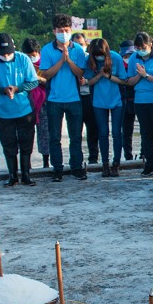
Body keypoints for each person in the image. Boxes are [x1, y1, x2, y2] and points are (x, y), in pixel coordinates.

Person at [0, 33, 40, 187]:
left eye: (9, 52)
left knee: (26, 143)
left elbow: (33, 82)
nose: (6, 55)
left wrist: (18, 88)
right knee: (8, 144)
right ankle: (12, 175)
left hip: (25, 108)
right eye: (3, 53)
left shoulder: (23, 59)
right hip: (3, 111)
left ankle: (26, 175)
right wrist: (3, 90)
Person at [39, 14, 88, 181]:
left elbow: (81, 72)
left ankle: (77, 167)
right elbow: (46, 74)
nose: (64, 33)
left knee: (76, 137)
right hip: (54, 99)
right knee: (55, 137)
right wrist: (61, 60)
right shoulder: (47, 50)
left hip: (74, 98)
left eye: (67, 30)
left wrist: (69, 61)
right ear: (54, 31)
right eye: (61, 31)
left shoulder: (78, 49)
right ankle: (57, 169)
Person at [81, 38, 127, 177]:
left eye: (100, 54)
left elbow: (123, 80)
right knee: (103, 132)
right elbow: (89, 81)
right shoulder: (90, 61)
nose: (98, 56)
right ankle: (105, 163)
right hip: (98, 100)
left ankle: (116, 163)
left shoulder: (116, 58)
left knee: (116, 132)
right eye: (95, 54)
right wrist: (100, 74)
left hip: (117, 99)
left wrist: (109, 76)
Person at [126, 32, 153, 176]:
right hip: (140, 101)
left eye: (143, 47)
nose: (140, 50)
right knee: (146, 134)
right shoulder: (133, 58)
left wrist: (145, 75)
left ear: (151, 44)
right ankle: (149, 163)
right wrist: (139, 74)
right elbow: (130, 82)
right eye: (138, 48)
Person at [71, 31, 101, 164]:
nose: (79, 47)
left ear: (86, 44)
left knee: (93, 130)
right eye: (76, 44)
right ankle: (76, 160)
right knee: (76, 132)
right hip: (74, 98)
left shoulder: (90, 58)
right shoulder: (69, 58)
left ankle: (93, 158)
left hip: (90, 96)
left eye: (81, 44)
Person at [22, 38, 50, 168]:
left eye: (32, 55)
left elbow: (50, 81)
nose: (31, 58)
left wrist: (38, 79)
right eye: (28, 55)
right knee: (26, 133)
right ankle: (27, 163)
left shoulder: (45, 62)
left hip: (44, 100)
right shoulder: (21, 63)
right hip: (27, 101)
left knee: (45, 132)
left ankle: (46, 161)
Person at [119, 39, 138, 161]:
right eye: (125, 56)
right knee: (126, 130)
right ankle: (128, 155)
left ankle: (144, 154)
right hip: (125, 98)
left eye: (130, 55)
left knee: (146, 130)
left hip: (139, 98)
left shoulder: (138, 63)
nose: (127, 58)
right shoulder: (119, 65)